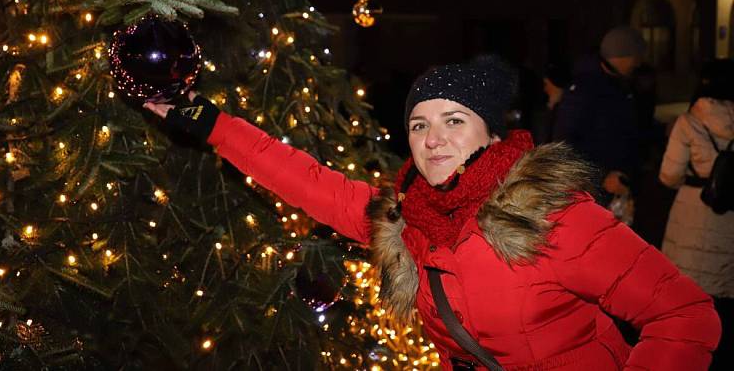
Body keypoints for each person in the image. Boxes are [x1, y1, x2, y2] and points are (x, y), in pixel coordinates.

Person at [145, 55, 720, 371]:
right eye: (420, 124)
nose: (434, 139)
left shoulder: (555, 217)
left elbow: (686, 315)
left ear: (492, 133)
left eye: (454, 121)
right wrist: (215, 127)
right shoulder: (407, 218)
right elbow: (309, 182)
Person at [659, 59, 734, 371]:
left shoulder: (689, 122)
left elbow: (668, 175)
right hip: (729, 213)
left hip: (693, 213)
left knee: (691, 296)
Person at [552, 26, 646, 223]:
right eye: (636, 57)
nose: (638, 63)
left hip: (614, 190)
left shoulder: (620, 86)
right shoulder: (584, 90)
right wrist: (602, 177)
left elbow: (626, 134)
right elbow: (564, 145)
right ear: (623, 56)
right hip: (593, 193)